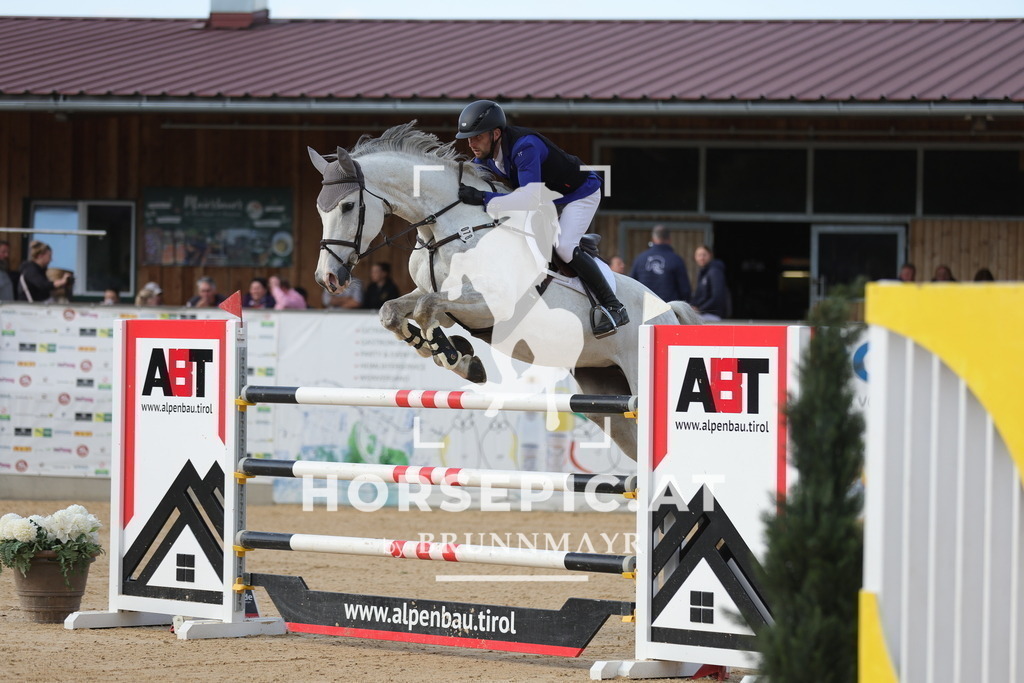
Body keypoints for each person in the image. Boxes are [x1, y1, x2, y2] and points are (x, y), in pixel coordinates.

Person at [454, 100, 628, 336]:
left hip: (580, 193)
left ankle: (613, 306)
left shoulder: (526, 146)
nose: (471, 143)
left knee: (564, 246)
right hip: (549, 198)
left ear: (495, 133)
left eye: (477, 137)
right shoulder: (485, 155)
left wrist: (483, 198)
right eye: (468, 138)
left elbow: (528, 200)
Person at [629, 225, 692, 302]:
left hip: (644, 308)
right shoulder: (676, 260)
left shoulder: (640, 259)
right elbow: (685, 290)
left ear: (653, 239)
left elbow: (631, 285)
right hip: (668, 309)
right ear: (669, 239)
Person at [691, 245, 730, 321]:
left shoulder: (715, 271)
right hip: (704, 313)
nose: (701, 258)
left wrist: (700, 309)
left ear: (710, 255)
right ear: (695, 257)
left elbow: (717, 296)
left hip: (712, 315)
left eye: (704, 255)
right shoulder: (702, 273)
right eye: (699, 255)